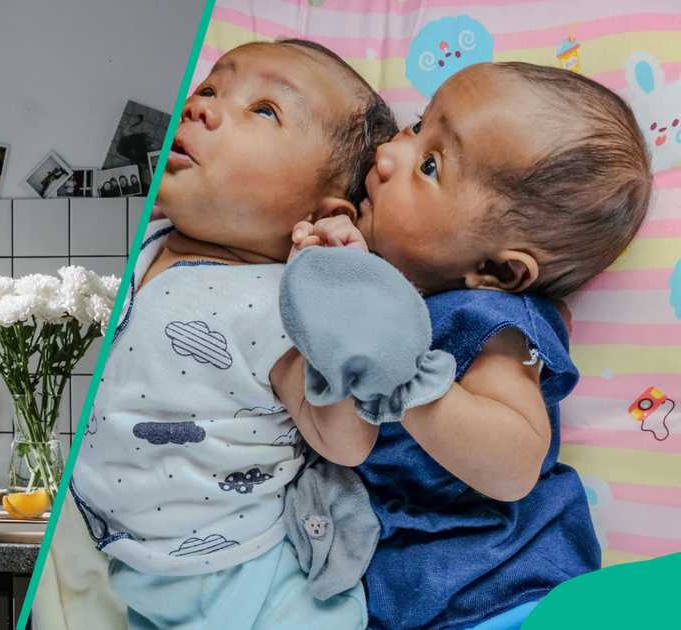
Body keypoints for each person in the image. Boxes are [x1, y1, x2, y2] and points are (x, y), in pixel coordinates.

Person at [275, 61, 652, 629]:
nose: (385, 154)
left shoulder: (495, 322)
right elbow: (341, 443)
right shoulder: (375, 282)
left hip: (508, 590)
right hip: (393, 603)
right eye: (417, 123)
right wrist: (325, 304)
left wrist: (408, 379)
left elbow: (515, 464)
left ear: (498, 270)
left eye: (429, 165)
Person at [68, 40, 396, 629]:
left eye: (265, 110)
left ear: (322, 211)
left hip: (255, 584)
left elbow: (346, 442)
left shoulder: (285, 303)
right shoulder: (146, 247)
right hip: (137, 577)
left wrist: (340, 299)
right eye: (211, 89)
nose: (200, 108)